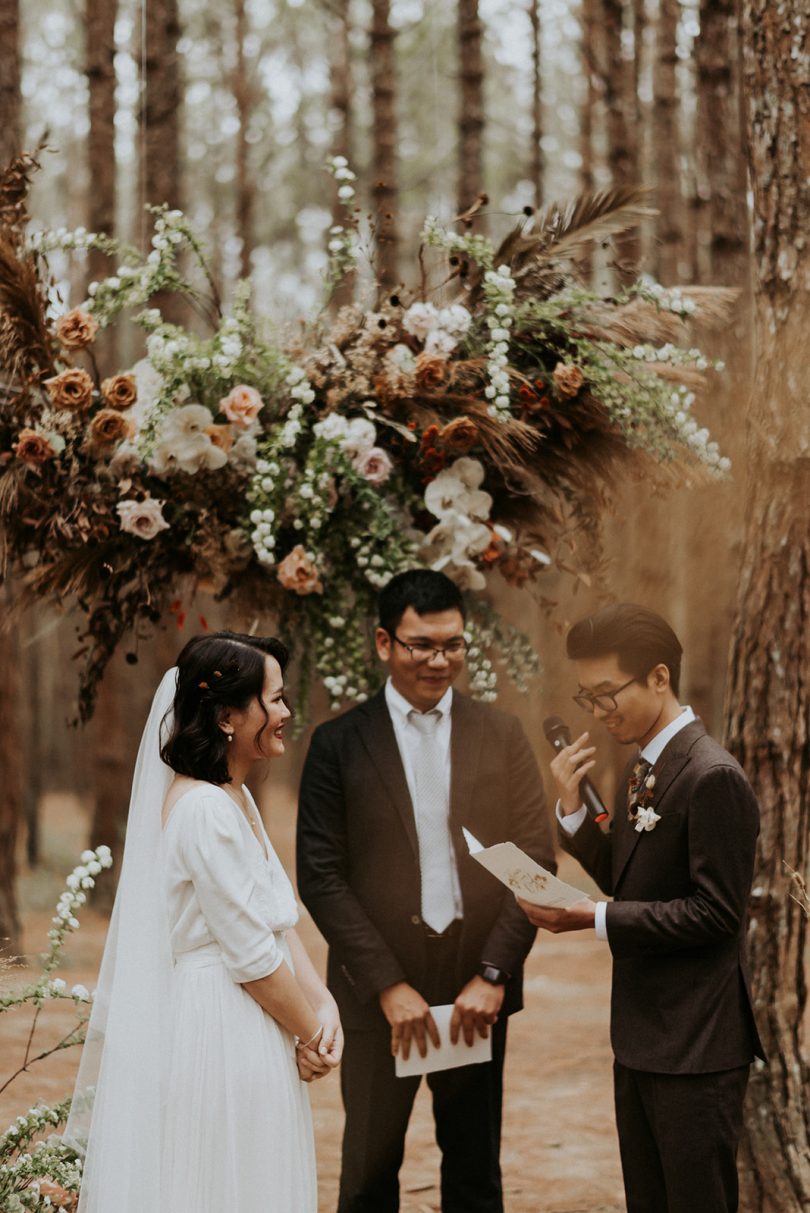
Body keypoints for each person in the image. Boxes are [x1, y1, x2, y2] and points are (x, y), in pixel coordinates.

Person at [296, 568, 555, 1213]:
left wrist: (494, 973)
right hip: (376, 996)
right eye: (421, 645)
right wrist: (387, 983)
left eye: (454, 645)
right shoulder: (337, 745)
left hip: (476, 992)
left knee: (474, 1176)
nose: (440, 661)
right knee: (367, 1176)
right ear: (385, 643)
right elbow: (320, 876)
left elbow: (533, 861)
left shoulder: (502, 735)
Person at [66, 631, 342, 1213]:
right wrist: (309, 1032)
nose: (286, 713)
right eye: (273, 700)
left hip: (256, 1018)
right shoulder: (203, 810)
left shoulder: (233, 799)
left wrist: (322, 1002)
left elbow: (275, 919)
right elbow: (253, 960)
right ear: (225, 717)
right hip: (225, 1024)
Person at [517, 603, 764, 1213]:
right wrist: (573, 810)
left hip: (697, 1046)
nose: (599, 712)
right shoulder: (641, 767)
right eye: (587, 697)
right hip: (642, 1037)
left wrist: (591, 919)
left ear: (658, 677)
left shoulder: (712, 776)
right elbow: (631, 877)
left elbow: (716, 914)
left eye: (608, 694)